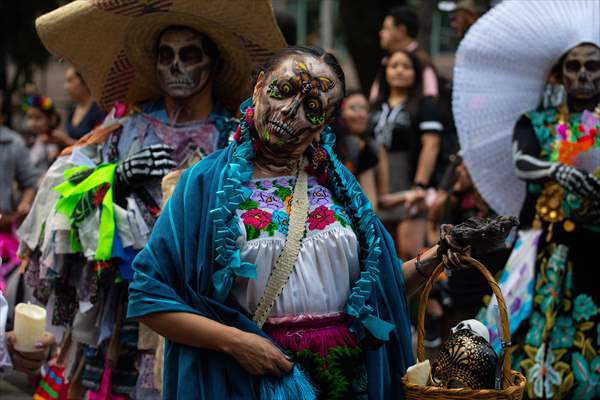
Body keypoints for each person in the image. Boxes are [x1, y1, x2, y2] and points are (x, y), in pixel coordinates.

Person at [125, 44, 480, 399]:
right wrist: (238, 343)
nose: (289, 111)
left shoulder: (341, 189)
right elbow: (148, 298)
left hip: (347, 384)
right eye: (283, 90)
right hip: (250, 383)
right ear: (259, 85)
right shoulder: (204, 186)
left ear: (326, 122)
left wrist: (434, 257)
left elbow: (380, 294)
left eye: (312, 107)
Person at [17, 1, 285, 398]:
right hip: (128, 310)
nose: (174, 66)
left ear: (212, 64)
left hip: (209, 310)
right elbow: (59, 201)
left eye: (188, 55)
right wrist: (118, 177)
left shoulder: (236, 137)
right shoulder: (126, 129)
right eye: (165, 56)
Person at [452, 1, 600, 398]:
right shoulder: (536, 122)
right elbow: (523, 161)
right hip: (541, 251)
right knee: (511, 329)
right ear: (558, 73)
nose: (583, 75)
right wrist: (558, 170)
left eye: (593, 66)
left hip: (594, 252)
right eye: (574, 66)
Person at [372, 49, 443, 261]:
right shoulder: (374, 105)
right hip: (376, 184)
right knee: (380, 255)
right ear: (386, 71)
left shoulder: (425, 105)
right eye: (394, 66)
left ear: (416, 73)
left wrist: (419, 185)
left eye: (406, 66)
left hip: (408, 182)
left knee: (410, 254)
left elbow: (432, 144)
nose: (399, 71)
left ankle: (429, 294)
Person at [0, 95, 39, 291]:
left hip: (3, 228)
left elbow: (30, 182)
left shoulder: (13, 143)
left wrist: (24, 205)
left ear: (2, 117)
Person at [370, 6, 439, 103]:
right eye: (394, 66)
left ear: (401, 31)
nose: (381, 33)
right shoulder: (387, 60)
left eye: (386, 29)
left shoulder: (422, 63)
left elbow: (431, 101)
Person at [332, 90, 380, 208]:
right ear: (340, 111)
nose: (362, 115)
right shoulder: (325, 143)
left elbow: (370, 200)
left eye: (365, 109)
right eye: (354, 108)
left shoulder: (365, 146)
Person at [22, 95, 74, 171]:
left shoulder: (53, 139)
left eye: (37, 118)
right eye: (29, 117)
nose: (33, 123)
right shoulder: (32, 138)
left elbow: (52, 163)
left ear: (50, 119)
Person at [64, 66, 105, 140]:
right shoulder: (72, 109)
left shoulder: (99, 110)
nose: (66, 86)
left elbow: (97, 144)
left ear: (85, 80)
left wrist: (65, 140)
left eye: (70, 80)